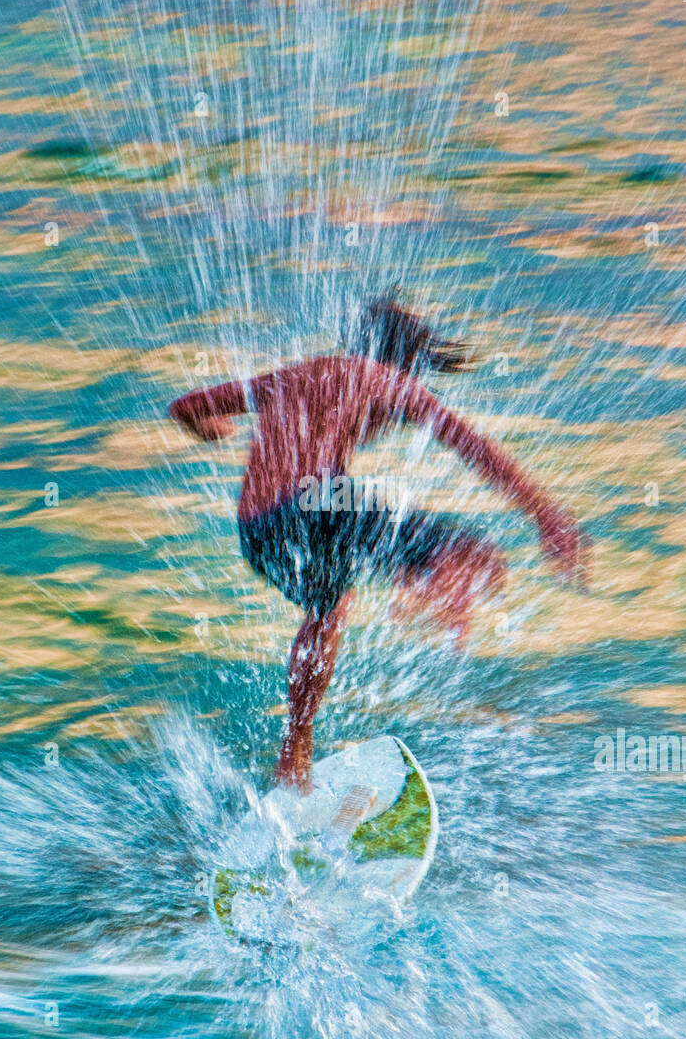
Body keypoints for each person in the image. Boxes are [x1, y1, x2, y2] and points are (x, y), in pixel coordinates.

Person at [169, 294, 586, 791]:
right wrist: (545, 515)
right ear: (404, 361)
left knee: (331, 609)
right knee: (474, 553)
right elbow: (472, 446)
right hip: (312, 507)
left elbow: (186, 407)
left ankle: (293, 757)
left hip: (259, 536)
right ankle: (430, 587)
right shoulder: (386, 379)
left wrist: (211, 429)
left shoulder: (293, 376)